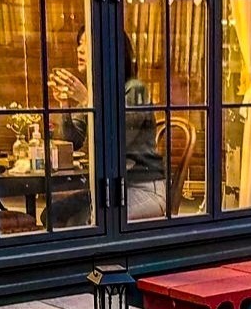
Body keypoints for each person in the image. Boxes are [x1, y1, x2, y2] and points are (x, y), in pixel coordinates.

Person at [47, 27, 165, 226]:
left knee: (87, 221)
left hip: (144, 188)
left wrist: (87, 100)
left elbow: (116, 140)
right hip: (108, 188)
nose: (79, 49)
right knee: (53, 214)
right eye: (79, 44)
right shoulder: (96, 93)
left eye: (87, 44)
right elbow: (70, 143)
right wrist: (64, 104)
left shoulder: (135, 90)